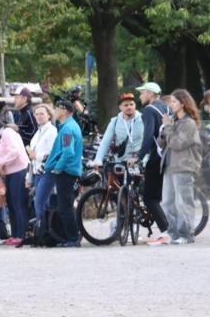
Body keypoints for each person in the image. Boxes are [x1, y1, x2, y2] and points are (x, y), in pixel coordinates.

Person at [156, 89, 203, 245]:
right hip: (169, 166)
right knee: (167, 202)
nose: (171, 104)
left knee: (183, 202)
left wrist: (168, 127)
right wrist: (165, 129)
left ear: (183, 104)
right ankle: (174, 234)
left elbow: (177, 143)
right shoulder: (174, 121)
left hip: (184, 166)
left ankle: (186, 234)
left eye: (174, 102)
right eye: (171, 101)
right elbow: (162, 143)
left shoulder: (188, 123)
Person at [0, 113, 30, 246]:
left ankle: (21, 235)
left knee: (18, 203)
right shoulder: (1, 135)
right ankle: (15, 234)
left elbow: (15, 152)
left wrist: (2, 163)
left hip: (19, 170)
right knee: (12, 204)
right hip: (10, 172)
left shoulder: (7, 132)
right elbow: (2, 152)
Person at [132, 81, 171, 244]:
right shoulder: (166, 108)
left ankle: (166, 232)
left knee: (149, 198)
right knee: (158, 195)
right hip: (169, 155)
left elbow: (148, 136)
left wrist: (138, 157)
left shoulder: (148, 110)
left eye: (142, 93)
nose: (140, 96)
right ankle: (171, 230)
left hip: (156, 158)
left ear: (150, 93)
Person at [45, 99, 84, 247]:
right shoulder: (68, 126)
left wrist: (58, 168)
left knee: (65, 207)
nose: (54, 111)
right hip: (70, 171)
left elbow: (68, 152)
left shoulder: (67, 129)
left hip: (66, 172)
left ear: (64, 111)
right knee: (66, 206)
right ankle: (70, 238)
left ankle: (73, 239)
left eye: (57, 109)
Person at [27, 103, 58, 237]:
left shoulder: (52, 131)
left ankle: (43, 233)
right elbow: (32, 157)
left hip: (47, 172)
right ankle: (44, 232)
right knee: (41, 203)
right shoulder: (37, 133)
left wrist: (37, 156)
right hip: (37, 172)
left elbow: (53, 153)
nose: (39, 116)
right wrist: (29, 177)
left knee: (40, 203)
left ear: (49, 115)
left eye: (42, 114)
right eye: (36, 114)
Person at [92, 92, 144, 166]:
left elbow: (149, 140)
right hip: (121, 162)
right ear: (120, 107)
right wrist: (98, 160)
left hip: (139, 161)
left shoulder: (143, 119)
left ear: (135, 105)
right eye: (126, 105)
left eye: (131, 104)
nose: (129, 107)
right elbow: (105, 142)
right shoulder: (115, 121)